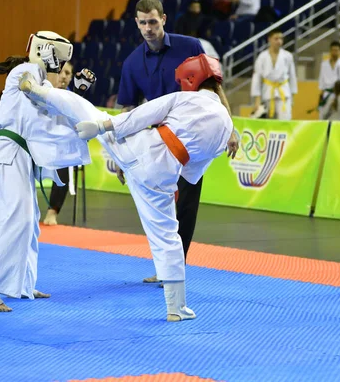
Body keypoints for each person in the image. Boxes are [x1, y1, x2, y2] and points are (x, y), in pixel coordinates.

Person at [20, 53, 239, 321]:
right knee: (169, 238)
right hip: (163, 175)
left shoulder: (186, 98)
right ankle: (176, 308)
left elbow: (140, 115)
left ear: (192, 79)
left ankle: (38, 91)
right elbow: (193, 173)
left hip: (138, 149)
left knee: (85, 109)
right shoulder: (227, 126)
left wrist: (103, 126)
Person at [0, 31, 86, 312]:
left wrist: (79, 92)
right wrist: (35, 84)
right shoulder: (26, 70)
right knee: (18, 219)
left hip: (18, 154)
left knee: (30, 219)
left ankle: (23, 284)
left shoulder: (39, 78)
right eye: (57, 60)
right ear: (45, 52)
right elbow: (27, 87)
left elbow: (52, 110)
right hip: (10, 150)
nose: (59, 68)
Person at [117, 0, 212, 286]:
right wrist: (121, 155)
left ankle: (174, 269)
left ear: (164, 20)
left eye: (153, 22)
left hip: (192, 137)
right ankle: (165, 265)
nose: (148, 28)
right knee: (160, 208)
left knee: (185, 205)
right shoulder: (132, 63)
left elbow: (213, 87)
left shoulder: (190, 47)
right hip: (157, 143)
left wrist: (229, 127)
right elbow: (127, 113)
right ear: (136, 23)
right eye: (143, 23)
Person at [43, 62, 96, 226]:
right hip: (39, 140)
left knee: (66, 157)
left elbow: (78, 120)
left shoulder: (72, 97)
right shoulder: (42, 90)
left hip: (59, 146)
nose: (64, 76)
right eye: (61, 71)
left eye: (68, 73)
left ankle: (52, 211)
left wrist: (81, 94)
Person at [250, 29, 298, 120]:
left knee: (285, 121)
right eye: (276, 38)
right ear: (269, 39)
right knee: (268, 123)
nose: (279, 41)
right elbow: (257, 78)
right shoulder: (262, 57)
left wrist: (293, 96)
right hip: (268, 92)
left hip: (284, 93)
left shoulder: (288, 56)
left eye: (281, 38)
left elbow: (292, 76)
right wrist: (257, 100)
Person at [317, 41, 340, 113]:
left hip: (338, 95)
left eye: (336, 50)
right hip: (327, 94)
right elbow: (322, 81)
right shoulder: (324, 64)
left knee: (338, 118)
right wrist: (321, 96)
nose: (334, 53)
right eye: (332, 50)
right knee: (324, 116)